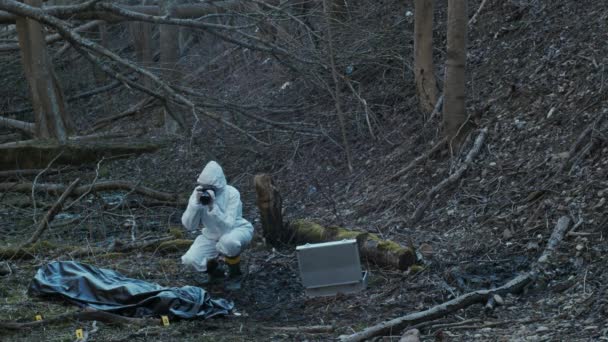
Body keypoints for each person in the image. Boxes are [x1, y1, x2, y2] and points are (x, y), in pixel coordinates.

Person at [181, 161, 254, 290]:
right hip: (211, 235)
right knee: (190, 259)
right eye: (204, 186)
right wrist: (194, 206)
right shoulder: (197, 193)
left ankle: (235, 274)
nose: (206, 190)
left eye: (210, 186)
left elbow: (228, 226)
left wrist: (213, 207)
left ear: (218, 184)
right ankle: (216, 273)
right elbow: (189, 226)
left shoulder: (232, 193)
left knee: (228, 242)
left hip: (237, 230)